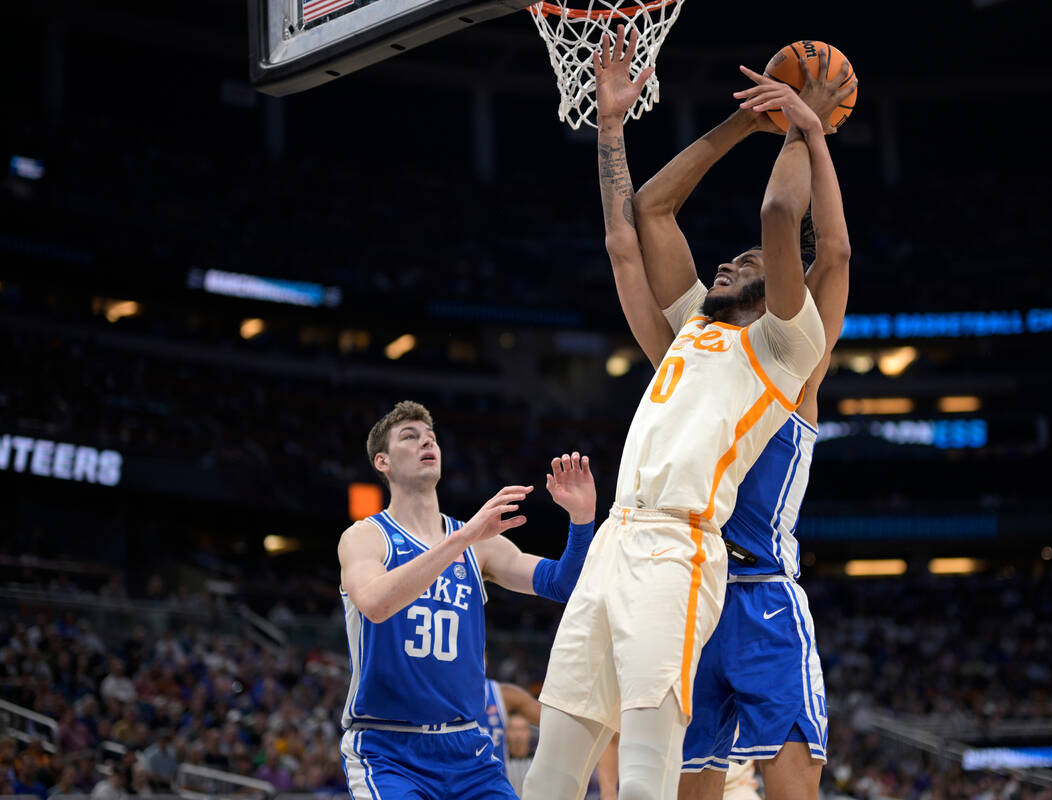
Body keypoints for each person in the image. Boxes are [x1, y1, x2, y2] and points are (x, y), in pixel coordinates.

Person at [524, 27, 828, 800]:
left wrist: (800, 129)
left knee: (650, 766)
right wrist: (614, 127)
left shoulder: (781, 350)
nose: (730, 262)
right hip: (622, 539)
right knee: (556, 759)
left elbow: (781, 219)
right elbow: (638, 228)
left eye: (748, 263)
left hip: (688, 548)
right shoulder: (690, 333)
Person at [337, 401, 596, 800]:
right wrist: (462, 539)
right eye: (410, 436)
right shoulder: (366, 537)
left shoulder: (478, 543)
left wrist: (581, 522)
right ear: (382, 462)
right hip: (388, 749)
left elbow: (562, 584)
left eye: (432, 437)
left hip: (467, 750)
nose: (427, 441)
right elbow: (374, 603)